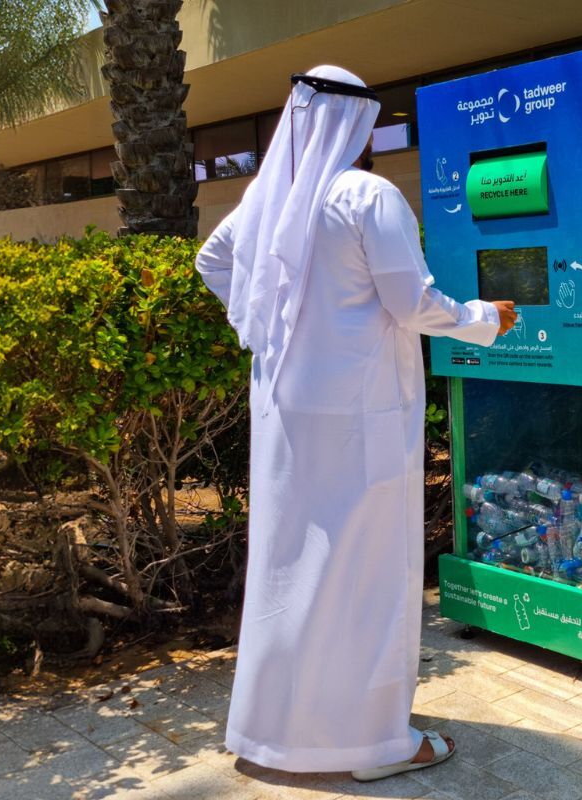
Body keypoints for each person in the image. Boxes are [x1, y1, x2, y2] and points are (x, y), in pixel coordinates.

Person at [194, 65, 516, 781]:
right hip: (364, 420)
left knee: (293, 570)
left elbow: (213, 261)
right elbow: (415, 303)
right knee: (369, 575)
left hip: (287, 417)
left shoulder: (268, 198)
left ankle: (276, 734)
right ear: (357, 126)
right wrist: (487, 319)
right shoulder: (369, 195)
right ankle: (375, 744)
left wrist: (281, 322)